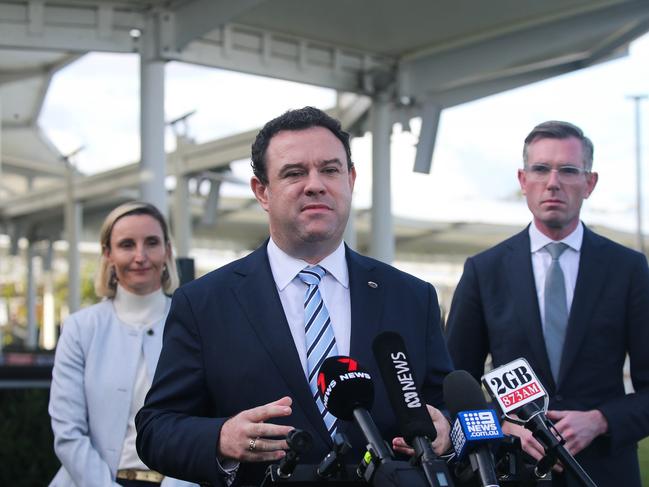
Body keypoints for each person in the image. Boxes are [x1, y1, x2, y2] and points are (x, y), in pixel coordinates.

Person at [135, 107, 454, 486]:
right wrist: (221, 438)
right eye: (294, 173)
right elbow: (157, 429)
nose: (315, 184)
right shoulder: (204, 303)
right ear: (262, 192)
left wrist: (448, 431)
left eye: (330, 170)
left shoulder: (411, 297)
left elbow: (448, 405)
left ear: (350, 180)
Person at [445, 121, 649, 486]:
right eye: (540, 169)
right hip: (514, 471)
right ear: (523, 180)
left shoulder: (628, 269)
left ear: (590, 183)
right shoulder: (484, 270)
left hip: (605, 472)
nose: (553, 182)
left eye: (568, 170)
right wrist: (502, 426)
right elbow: (451, 384)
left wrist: (601, 419)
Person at [48, 202, 196, 487]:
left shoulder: (195, 323)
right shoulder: (80, 328)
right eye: (127, 244)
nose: (140, 256)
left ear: (167, 250)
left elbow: (203, 420)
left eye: (151, 243)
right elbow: (68, 431)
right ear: (108, 253)